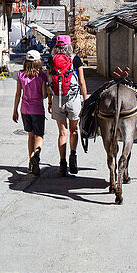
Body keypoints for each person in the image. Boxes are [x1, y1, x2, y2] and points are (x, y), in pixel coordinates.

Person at [46, 36, 87, 176]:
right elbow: (81, 81)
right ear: (69, 45)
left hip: (58, 99)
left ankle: (62, 164)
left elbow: (49, 81)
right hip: (73, 99)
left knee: (62, 132)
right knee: (74, 130)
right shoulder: (75, 59)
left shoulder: (51, 60)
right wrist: (85, 99)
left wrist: (50, 101)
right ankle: (73, 157)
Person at [12, 49, 47, 175]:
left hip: (24, 110)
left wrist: (15, 110)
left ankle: (30, 163)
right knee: (39, 136)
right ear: (38, 62)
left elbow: (17, 93)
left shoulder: (21, 75)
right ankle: (36, 157)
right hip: (38, 110)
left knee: (30, 136)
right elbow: (44, 95)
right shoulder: (41, 76)